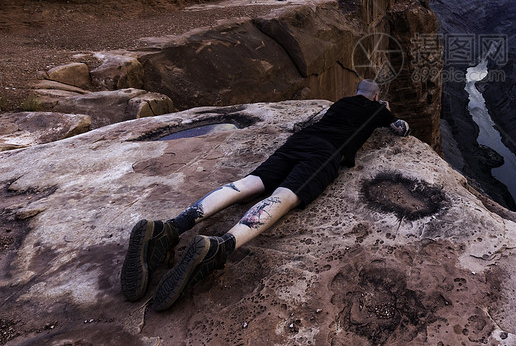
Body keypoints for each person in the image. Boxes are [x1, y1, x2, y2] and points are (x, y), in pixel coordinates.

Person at [120, 79, 410, 311]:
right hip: (326, 153)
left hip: (298, 142)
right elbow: (401, 129)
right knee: (286, 195)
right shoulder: (377, 110)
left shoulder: (341, 103)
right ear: (375, 97)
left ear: (355, 92)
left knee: (247, 184)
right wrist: (386, 111)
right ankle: (222, 246)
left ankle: (172, 227)